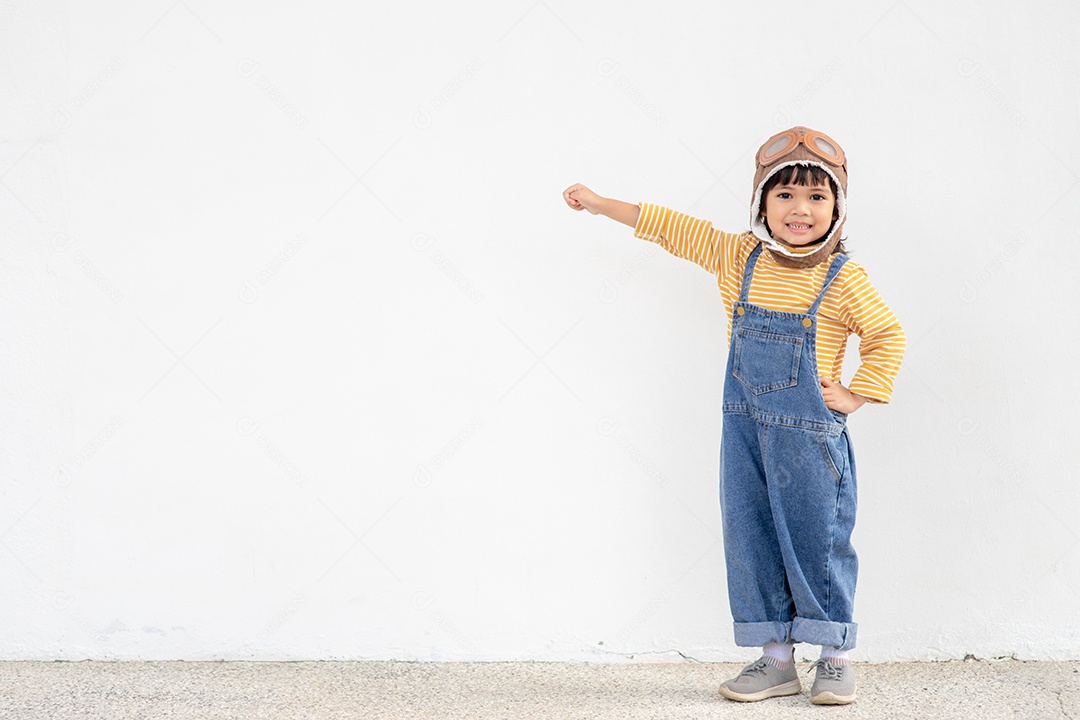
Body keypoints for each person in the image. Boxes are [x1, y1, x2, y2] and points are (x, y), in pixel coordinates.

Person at [561, 126, 905, 706]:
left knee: (816, 539)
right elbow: (669, 225)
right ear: (761, 203)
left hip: (810, 436)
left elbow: (887, 336)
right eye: (785, 195)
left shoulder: (843, 278)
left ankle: (834, 656)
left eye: (817, 198)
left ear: (837, 207)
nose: (800, 209)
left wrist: (855, 394)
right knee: (749, 533)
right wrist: (598, 203)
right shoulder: (736, 256)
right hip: (744, 428)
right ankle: (774, 660)